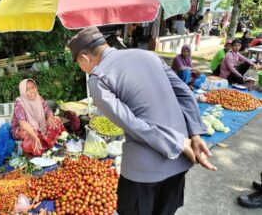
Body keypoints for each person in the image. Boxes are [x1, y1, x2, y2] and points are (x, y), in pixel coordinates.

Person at [68, 27, 217, 215]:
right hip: (181, 160)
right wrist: (194, 133)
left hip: (145, 170)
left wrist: (178, 142)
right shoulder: (148, 55)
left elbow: (131, 123)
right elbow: (185, 92)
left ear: (84, 58)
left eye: (79, 64)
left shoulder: (98, 79)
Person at [11, 79, 65, 157]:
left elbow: (48, 110)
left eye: (33, 87)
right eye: (28, 89)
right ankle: (30, 150)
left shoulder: (39, 98)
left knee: (56, 120)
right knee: (25, 132)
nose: (32, 91)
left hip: (39, 126)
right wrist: (35, 137)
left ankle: (47, 142)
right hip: (23, 128)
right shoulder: (19, 103)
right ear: (23, 91)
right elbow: (23, 123)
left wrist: (50, 118)